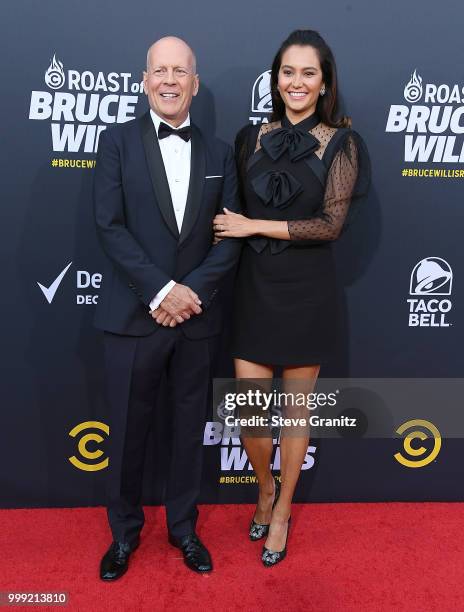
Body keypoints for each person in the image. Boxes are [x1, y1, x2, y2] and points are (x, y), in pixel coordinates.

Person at [213, 29, 369, 566]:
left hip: (308, 293)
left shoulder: (343, 143)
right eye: (287, 72)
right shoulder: (247, 137)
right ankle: (264, 486)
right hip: (254, 289)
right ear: (275, 78)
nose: (296, 82)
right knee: (253, 416)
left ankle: (281, 512)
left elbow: (329, 225)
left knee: (296, 416)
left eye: (308, 72)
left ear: (324, 82)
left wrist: (252, 223)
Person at [94, 36, 241, 579]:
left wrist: (189, 294)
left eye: (181, 71)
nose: (171, 80)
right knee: (127, 435)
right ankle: (123, 534)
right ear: (144, 79)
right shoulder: (115, 143)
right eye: (161, 71)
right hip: (135, 318)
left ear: (195, 83)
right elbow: (110, 226)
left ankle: (184, 529)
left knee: (187, 432)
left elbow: (229, 237)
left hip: (196, 321)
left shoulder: (221, 152)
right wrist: (162, 292)